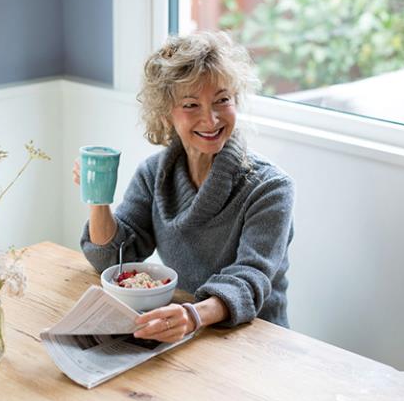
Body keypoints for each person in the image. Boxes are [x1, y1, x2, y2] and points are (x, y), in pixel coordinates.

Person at [72, 31, 295, 343]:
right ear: (166, 115)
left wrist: (192, 315)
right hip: (187, 330)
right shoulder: (154, 174)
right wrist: (97, 197)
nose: (211, 118)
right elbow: (110, 260)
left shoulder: (270, 188)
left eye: (223, 100)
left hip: (254, 338)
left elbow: (249, 279)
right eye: (191, 104)